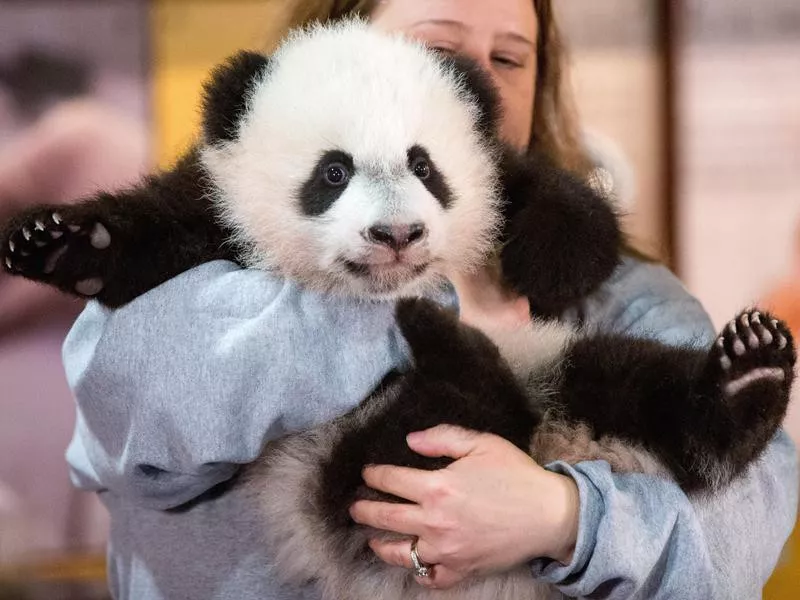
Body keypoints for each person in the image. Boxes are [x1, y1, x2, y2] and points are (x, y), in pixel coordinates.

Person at [60, 0, 798, 598]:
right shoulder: (227, 233)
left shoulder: (622, 290)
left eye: (510, 58)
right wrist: (422, 316)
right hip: (350, 506)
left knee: (610, 376)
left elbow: (747, 527)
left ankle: (699, 420)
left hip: (514, 442)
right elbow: (132, 411)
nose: (478, 81)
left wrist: (561, 517)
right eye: (437, 52)